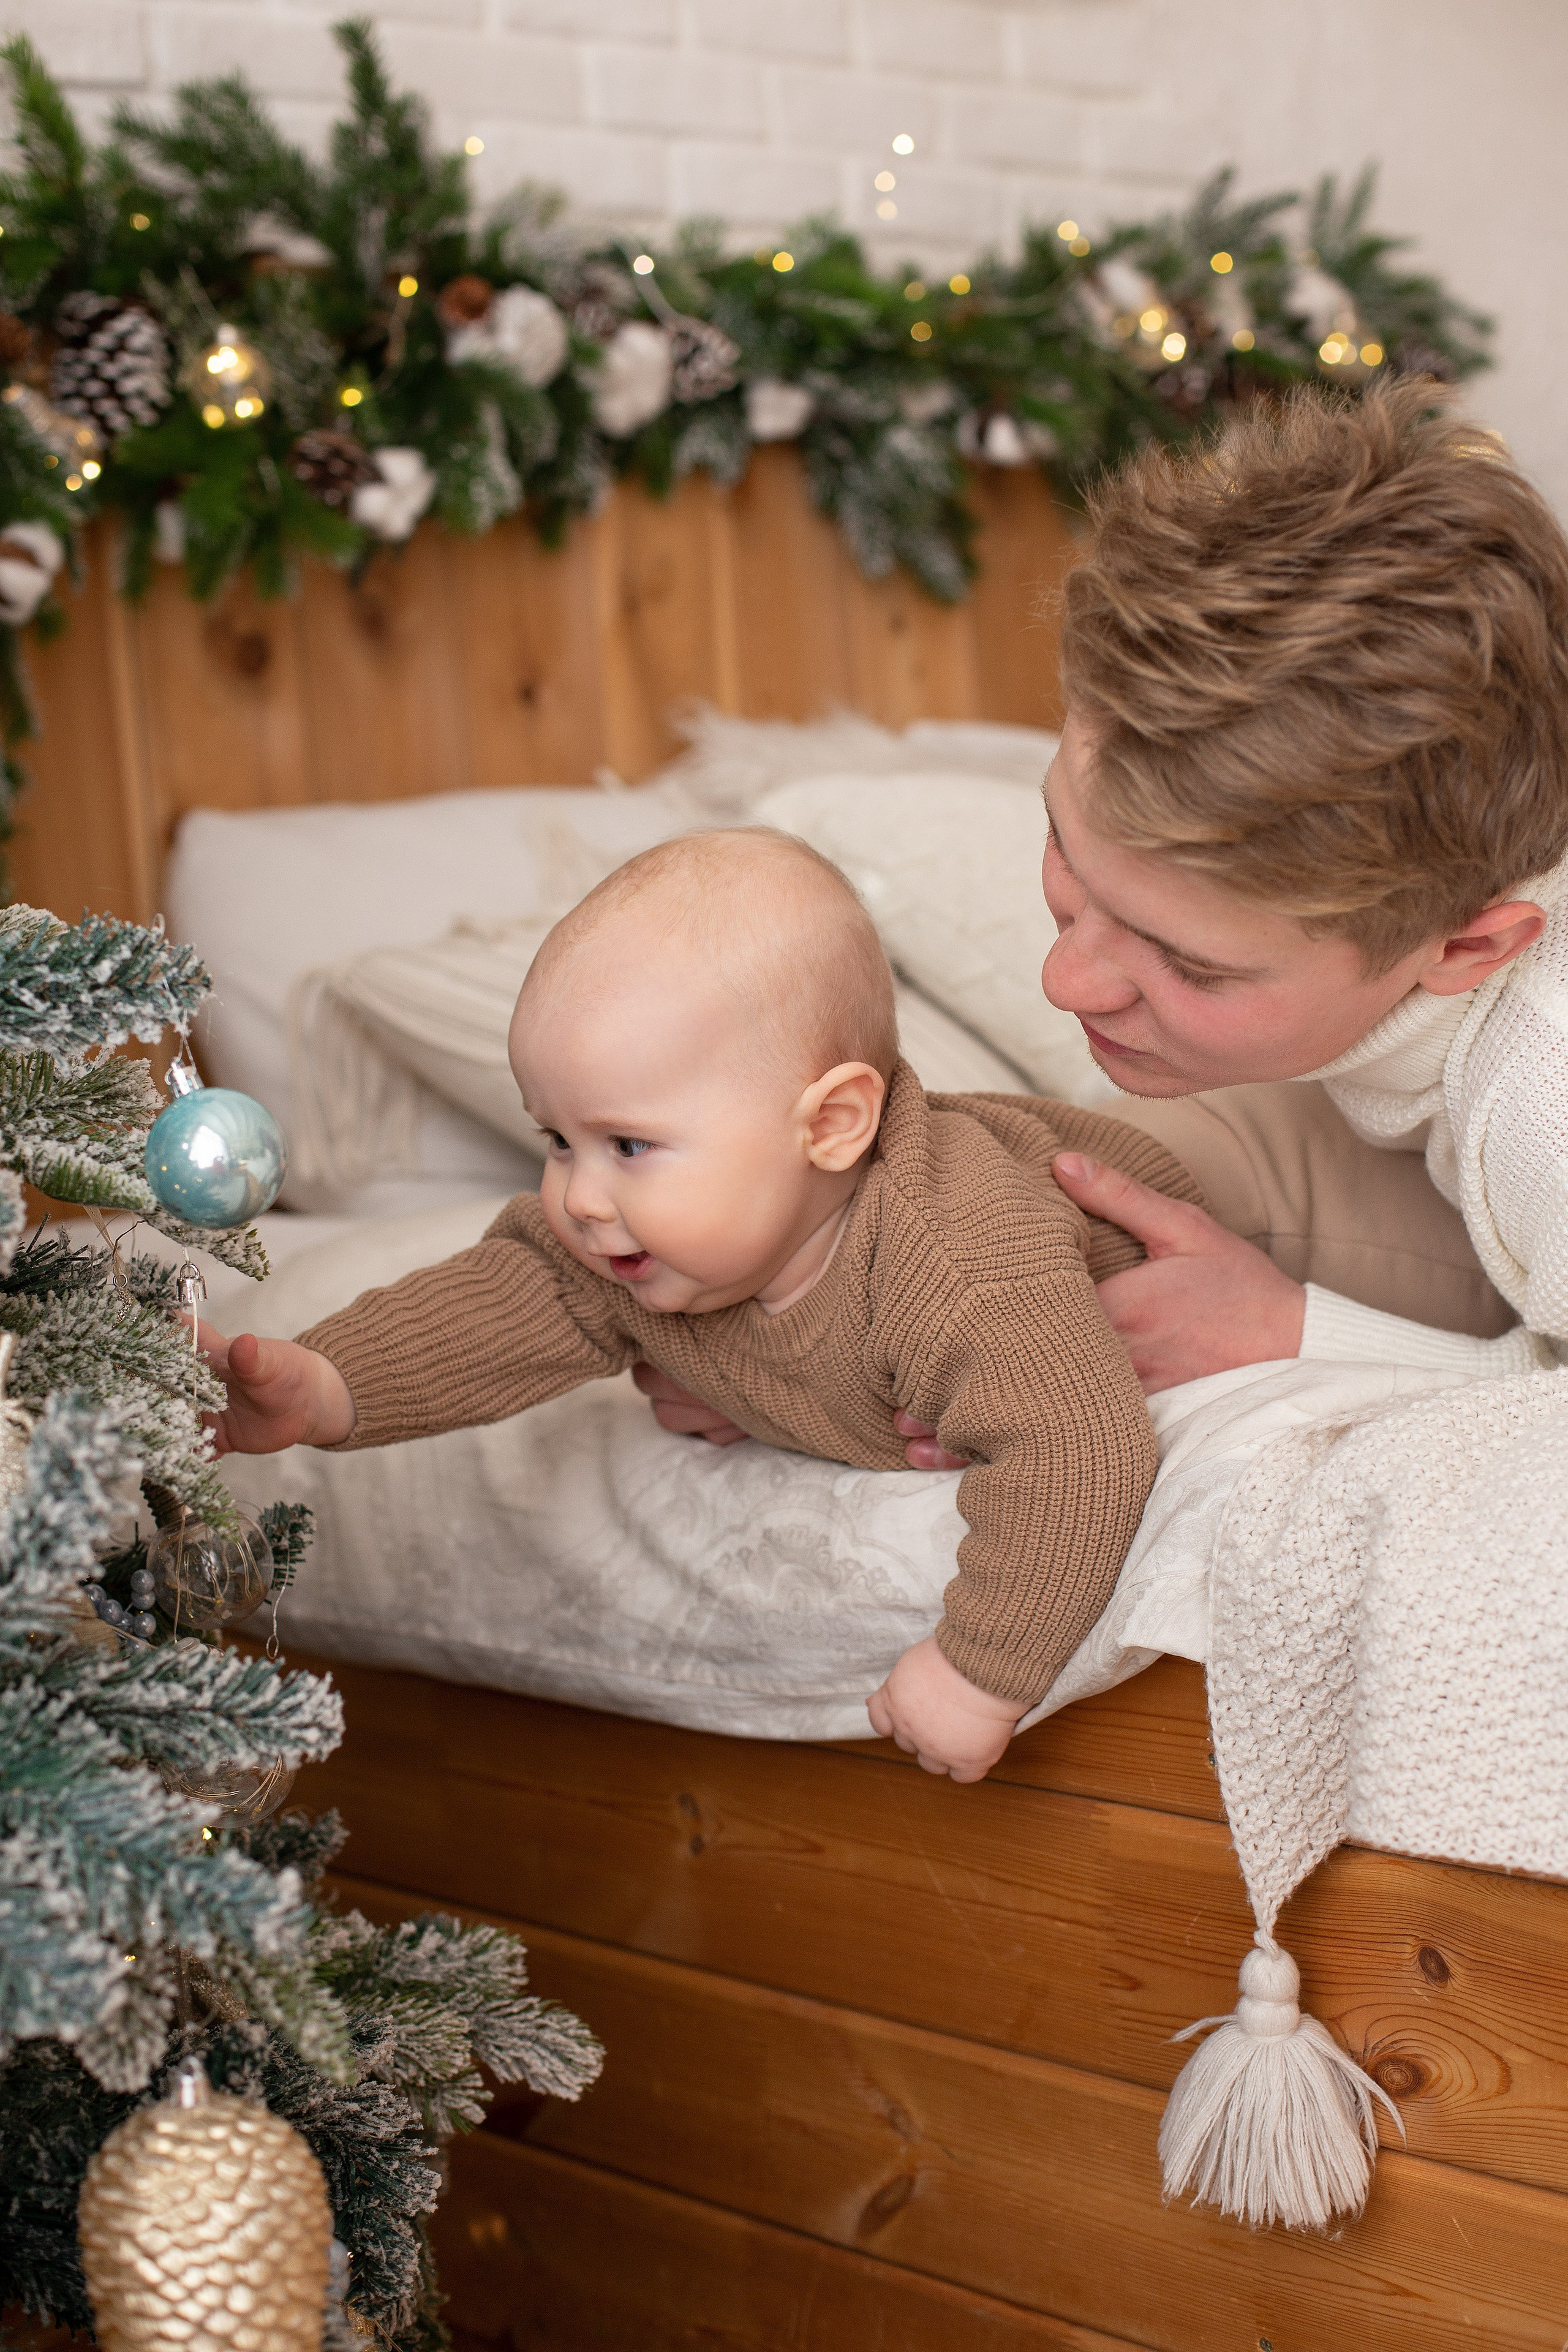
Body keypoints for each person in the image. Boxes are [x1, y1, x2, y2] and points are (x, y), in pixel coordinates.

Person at [640, 380, 1568, 1470]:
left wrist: (1293, 1335)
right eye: (1065, 854)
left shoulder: (1542, 1092)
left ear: (1469, 948)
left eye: (1188, 963)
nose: (1066, 981)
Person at [197, 828, 1202, 1781]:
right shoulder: (638, 1241)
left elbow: (1080, 1447)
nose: (582, 1198)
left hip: (1186, 1233)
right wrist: (325, 1385)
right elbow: (503, 1298)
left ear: (833, 1125)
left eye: (628, 1145)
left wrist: (980, 1670)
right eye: (556, 1141)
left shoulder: (960, 1257)